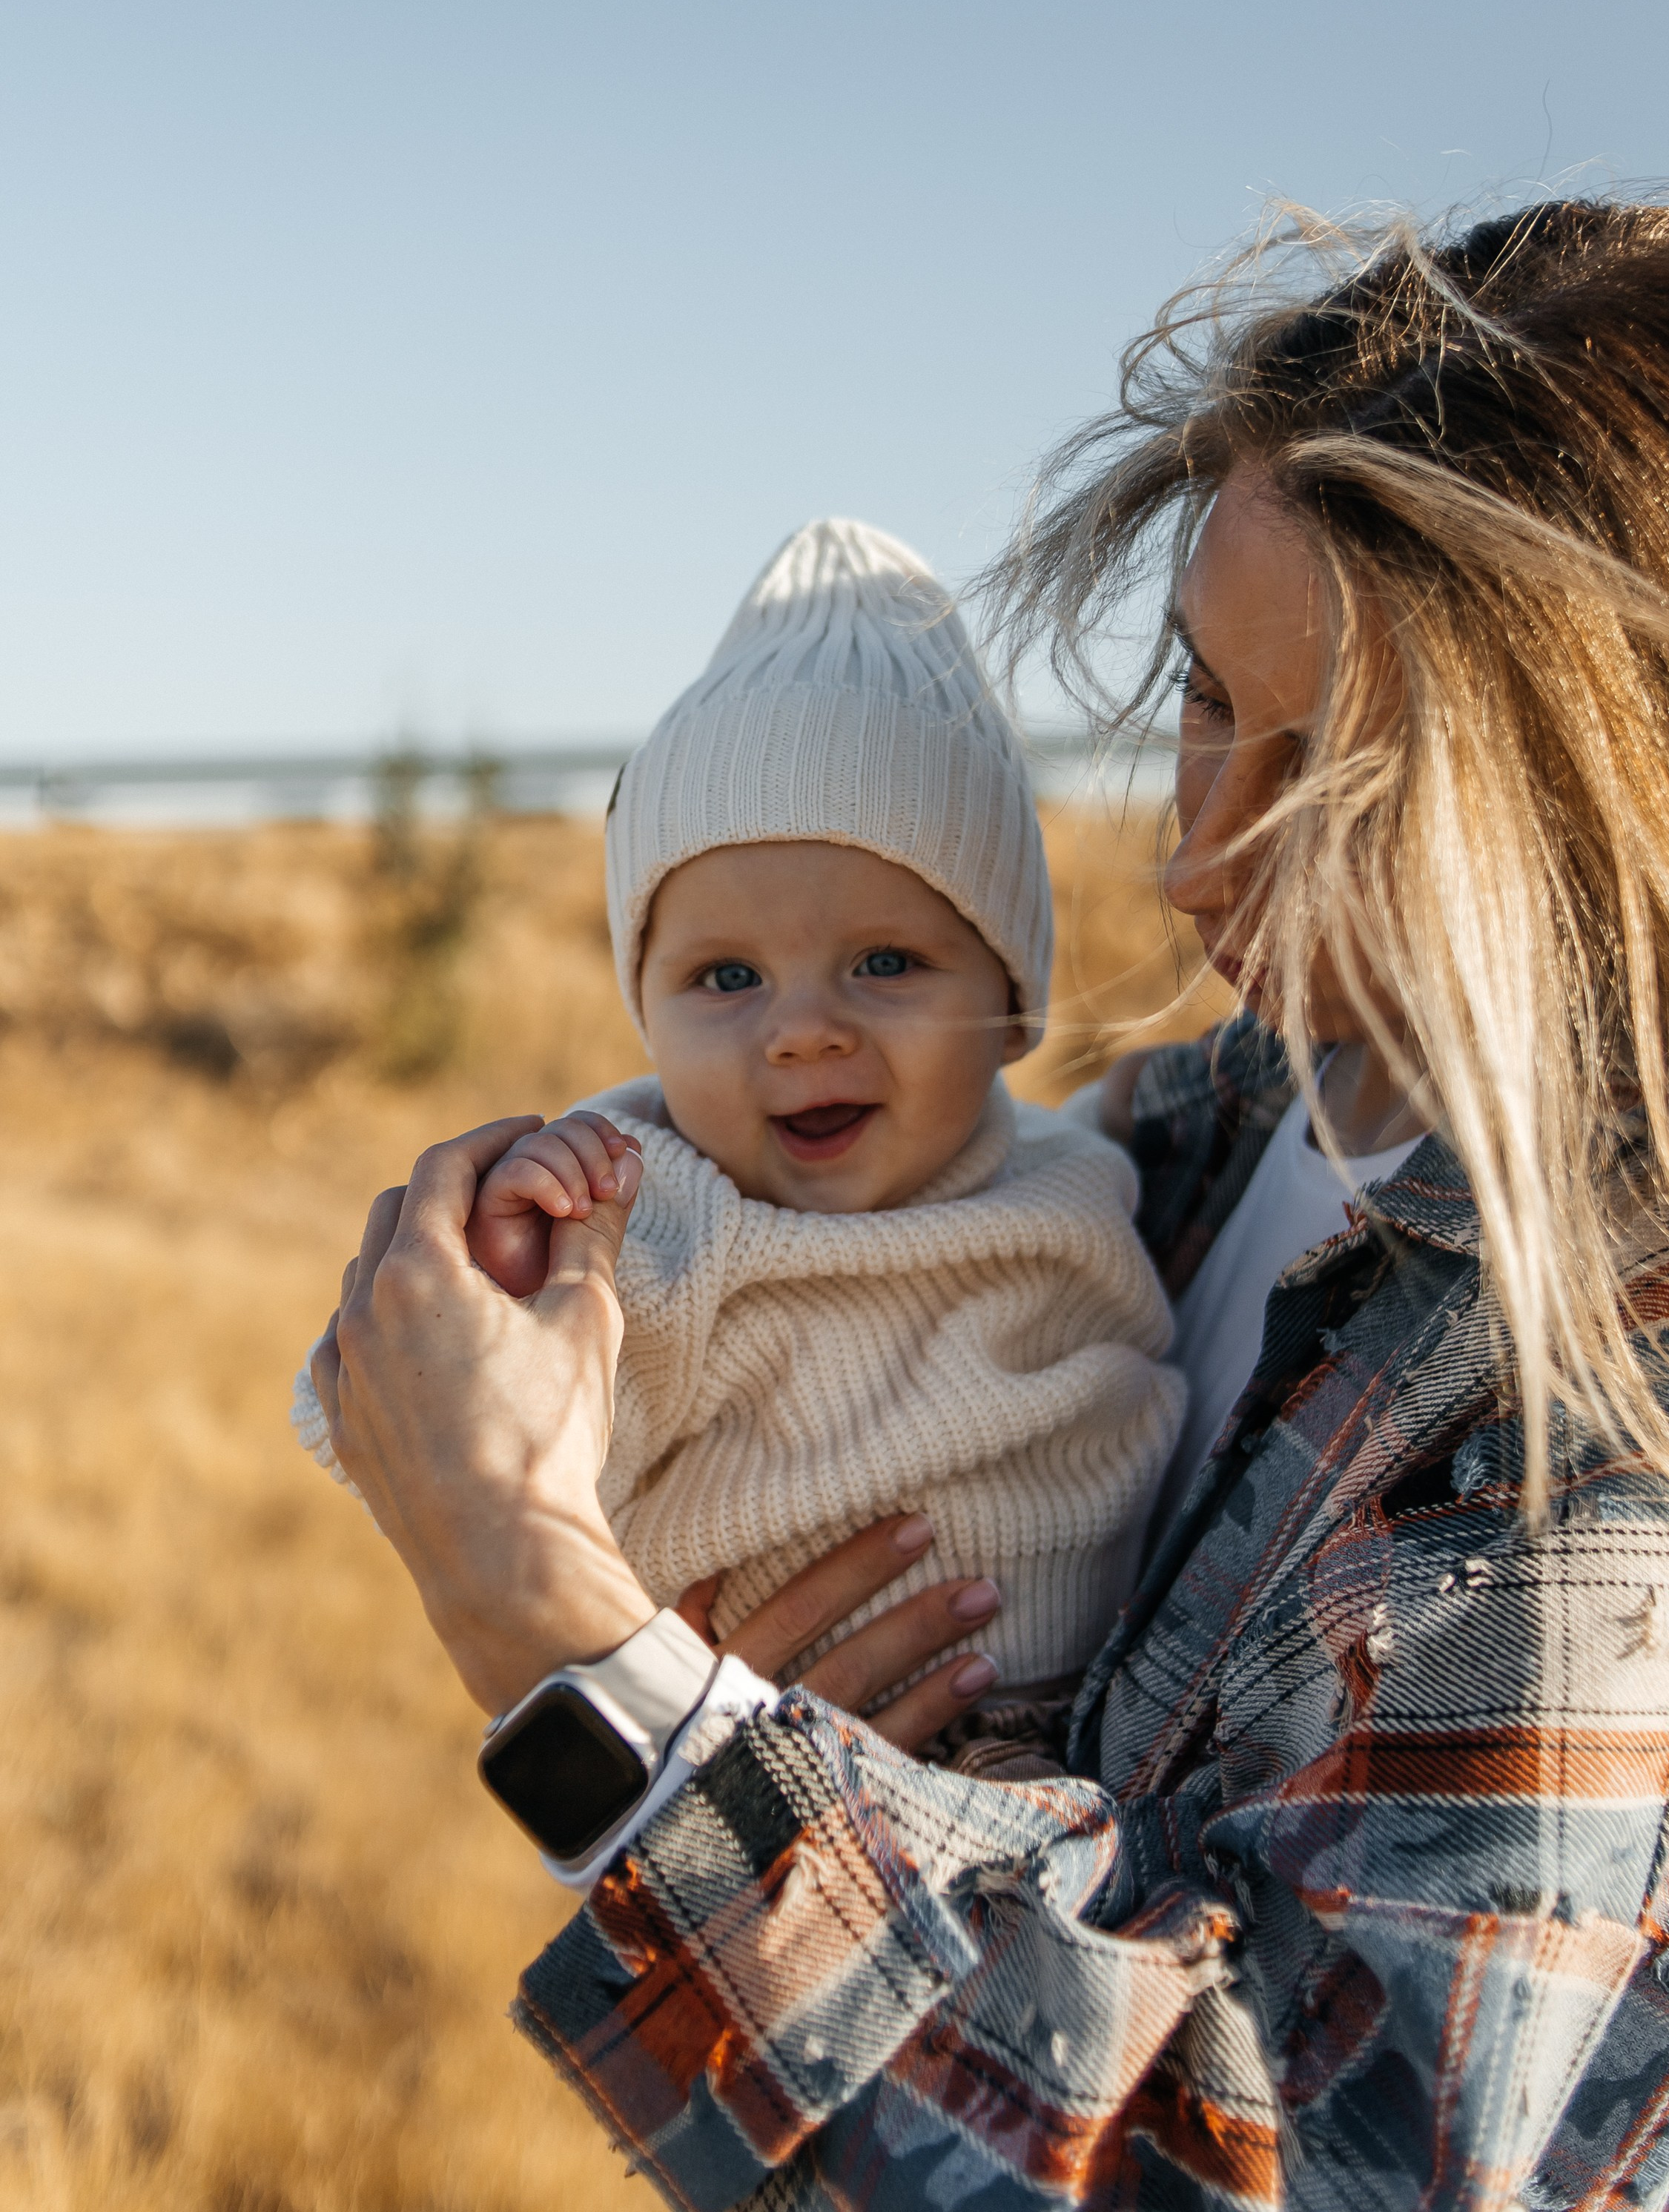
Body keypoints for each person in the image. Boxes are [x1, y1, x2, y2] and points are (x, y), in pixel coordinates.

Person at [314, 199, 1669, 2206]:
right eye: (1203, 706)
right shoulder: (1214, 1123)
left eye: (1343, 777)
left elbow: (1240, 2165)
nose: (1197, 863)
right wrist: (800, 1747)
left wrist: (551, 1628)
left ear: (1626, 808)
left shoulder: (1616, 1446)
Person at [297, 517, 1182, 1763]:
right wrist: (504, 1276)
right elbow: (424, 1419)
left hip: (1096, 1762)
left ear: (1012, 999)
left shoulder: (1084, 1173)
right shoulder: (651, 1208)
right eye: (725, 976)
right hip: (766, 1774)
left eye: (887, 962)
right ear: (642, 1008)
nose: (804, 1031)